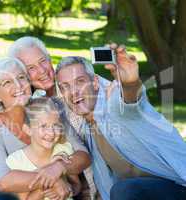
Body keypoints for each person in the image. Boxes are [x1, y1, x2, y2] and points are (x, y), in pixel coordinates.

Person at [55, 45, 186, 200]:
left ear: (95, 83)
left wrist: (130, 84)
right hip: (145, 193)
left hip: (178, 186)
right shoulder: (87, 129)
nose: (74, 91)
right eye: (65, 87)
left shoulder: (114, 103)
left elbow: (128, 102)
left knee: (123, 190)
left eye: (80, 81)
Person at [0, 36, 97, 199]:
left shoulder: (46, 108)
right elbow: (3, 181)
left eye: (21, 78)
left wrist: (59, 168)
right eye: (7, 82)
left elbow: (83, 155)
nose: (18, 86)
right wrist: (53, 179)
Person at [6, 97, 82, 200]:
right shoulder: (17, 161)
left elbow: (77, 186)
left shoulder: (64, 149)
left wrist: (67, 186)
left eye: (56, 125)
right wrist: (50, 184)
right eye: (43, 126)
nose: (51, 132)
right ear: (28, 130)